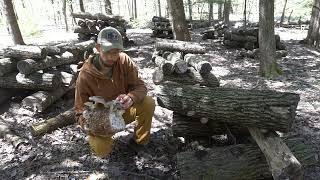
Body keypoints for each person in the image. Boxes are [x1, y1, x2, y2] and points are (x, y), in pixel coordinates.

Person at [74, 27, 155, 157]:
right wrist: (92, 125)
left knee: (148, 103)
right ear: (98, 48)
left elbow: (140, 86)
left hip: (122, 112)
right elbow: (79, 111)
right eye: (108, 52)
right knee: (101, 151)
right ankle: (100, 141)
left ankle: (140, 141)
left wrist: (131, 97)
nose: (112, 57)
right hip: (102, 122)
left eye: (116, 52)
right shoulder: (85, 76)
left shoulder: (124, 60)